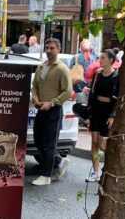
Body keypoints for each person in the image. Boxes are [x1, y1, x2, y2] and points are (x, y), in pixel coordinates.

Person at [31, 38, 72, 186]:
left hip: (53, 111)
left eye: (52, 48)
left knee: (48, 144)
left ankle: (46, 175)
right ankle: (59, 161)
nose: (49, 51)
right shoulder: (41, 67)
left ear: (58, 50)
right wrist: (35, 99)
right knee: (38, 140)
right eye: (47, 48)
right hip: (40, 109)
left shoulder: (62, 69)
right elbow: (34, 86)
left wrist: (52, 103)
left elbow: (68, 91)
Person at [85, 49, 119, 182]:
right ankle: (95, 172)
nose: (100, 60)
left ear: (111, 60)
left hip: (107, 112)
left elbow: (117, 98)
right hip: (96, 111)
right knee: (94, 142)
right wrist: (89, 114)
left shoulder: (116, 76)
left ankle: (108, 169)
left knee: (103, 143)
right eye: (100, 57)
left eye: (103, 58)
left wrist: (113, 115)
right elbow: (92, 94)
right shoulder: (98, 74)